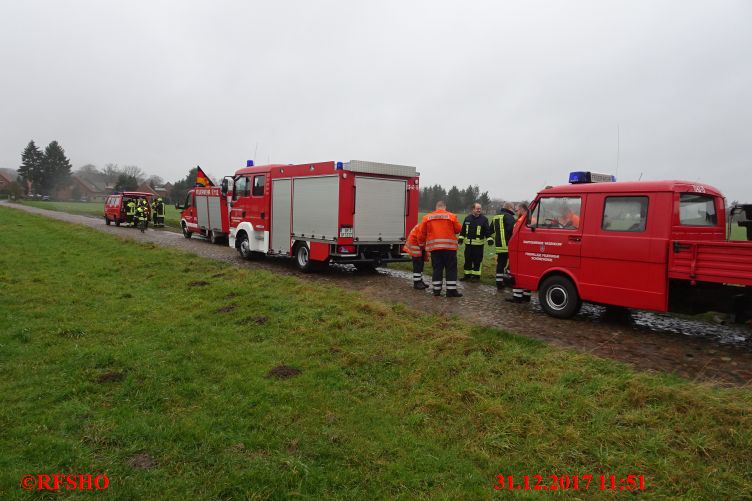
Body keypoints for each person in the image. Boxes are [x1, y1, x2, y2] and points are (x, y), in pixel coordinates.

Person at [419, 200, 463, 297]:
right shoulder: (452, 216)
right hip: (449, 248)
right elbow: (458, 229)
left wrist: (421, 243)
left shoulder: (427, 217)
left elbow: (422, 232)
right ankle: (451, 291)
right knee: (451, 269)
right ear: (445, 207)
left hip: (435, 248)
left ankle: (436, 290)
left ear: (436, 207)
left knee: (437, 269)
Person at [458, 202, 490, 281]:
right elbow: (463, 230)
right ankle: (467, 275)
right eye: (477, 209)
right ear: (473, 209)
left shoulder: (484, 219)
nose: (479, 210)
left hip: (479, 245)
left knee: (477, 261)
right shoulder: (467, 218)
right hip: (468, 245)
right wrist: (461, 238)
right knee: (467, 259)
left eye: (480, 209)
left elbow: (487, 231)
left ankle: (476, 277)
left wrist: (489, 239)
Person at [488, 202, 516, 289]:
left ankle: (499, 282)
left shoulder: (496, 216)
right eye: (513, 208)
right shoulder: (509, 217)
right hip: (508, 245)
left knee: (500, 263)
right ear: (509, 207)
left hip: (499, 245)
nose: (514, 210)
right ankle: (509, 280)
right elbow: (513, 230)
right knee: (512, 263)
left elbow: (490, 230)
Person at [508, 202, 532, 303]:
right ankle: (526, 296)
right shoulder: (531, 217)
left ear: (522, 209)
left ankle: (517, 296)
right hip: (528, 249)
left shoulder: (522, 220)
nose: (516, 212)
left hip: (520, 249)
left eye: (517, 210)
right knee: (527, 272)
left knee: (516, 272)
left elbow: (517, 235)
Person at [403, 222, 429, 289]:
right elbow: (420, 237)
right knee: (417, 263)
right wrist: (422, 246)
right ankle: (416, 283)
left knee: (421, 263)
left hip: (419, 244)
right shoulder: (424, 226)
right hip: (415, 244)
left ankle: (420, 281)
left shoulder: (427, 225)